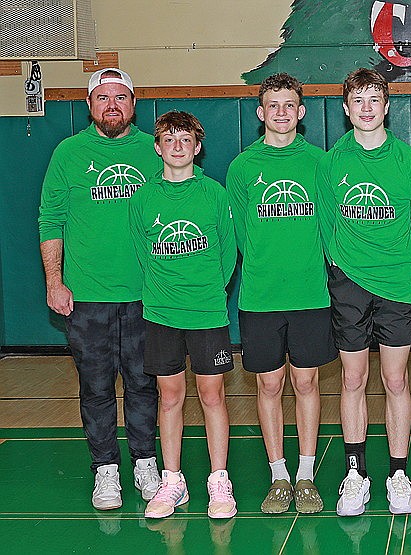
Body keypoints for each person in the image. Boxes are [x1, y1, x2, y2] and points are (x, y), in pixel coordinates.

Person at [38, 68, 160, 510]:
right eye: (102, 97)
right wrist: (55, 280)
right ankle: (106, 470)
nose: (112, 105)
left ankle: (146, 463)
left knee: (145, 386)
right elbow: (50, 220)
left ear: (133, 104)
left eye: (121, 97)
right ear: (89, 105)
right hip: (86, 298)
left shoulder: (155, 149)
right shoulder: (68, 153)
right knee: (95, 388)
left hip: (147, 296)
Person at [316, 68, 411, 516]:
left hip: (397, 286)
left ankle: (399, 474)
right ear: (346, 109)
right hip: (349, 287)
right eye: (357, 99)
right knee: (352, 379)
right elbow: (327, 223)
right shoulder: (331, 162)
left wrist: (407, 276)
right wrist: (342, 267)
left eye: (373, 99)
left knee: (396, 379)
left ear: (386, 107)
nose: (366, 107)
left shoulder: (408, 162)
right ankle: (355, 473)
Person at [226, 73, 337, 514]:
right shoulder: (242, 168)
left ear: (301, 111)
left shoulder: (320, 164)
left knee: (307, 381)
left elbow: (331, 224)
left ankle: (306, 475)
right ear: (260, 113)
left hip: (311, 293)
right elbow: (238, 234)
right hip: (260, 297)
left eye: (289, 105)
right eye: (273, 105)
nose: (281, 112)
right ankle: (279, 477)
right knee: (269, 384)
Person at [129, 111, 238, 519]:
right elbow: (143, 254)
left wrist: (209, 290)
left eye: (186, 139)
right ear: (157, 148)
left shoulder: (215, 195)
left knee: (212, 396)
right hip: (161, 313)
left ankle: (218, 480)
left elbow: (228, 254)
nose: (178, 146)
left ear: (197, 147)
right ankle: (172, 480)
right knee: (170, 397)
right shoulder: (142, 200)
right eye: (169, 139)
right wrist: (164, 291)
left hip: (207, 312)